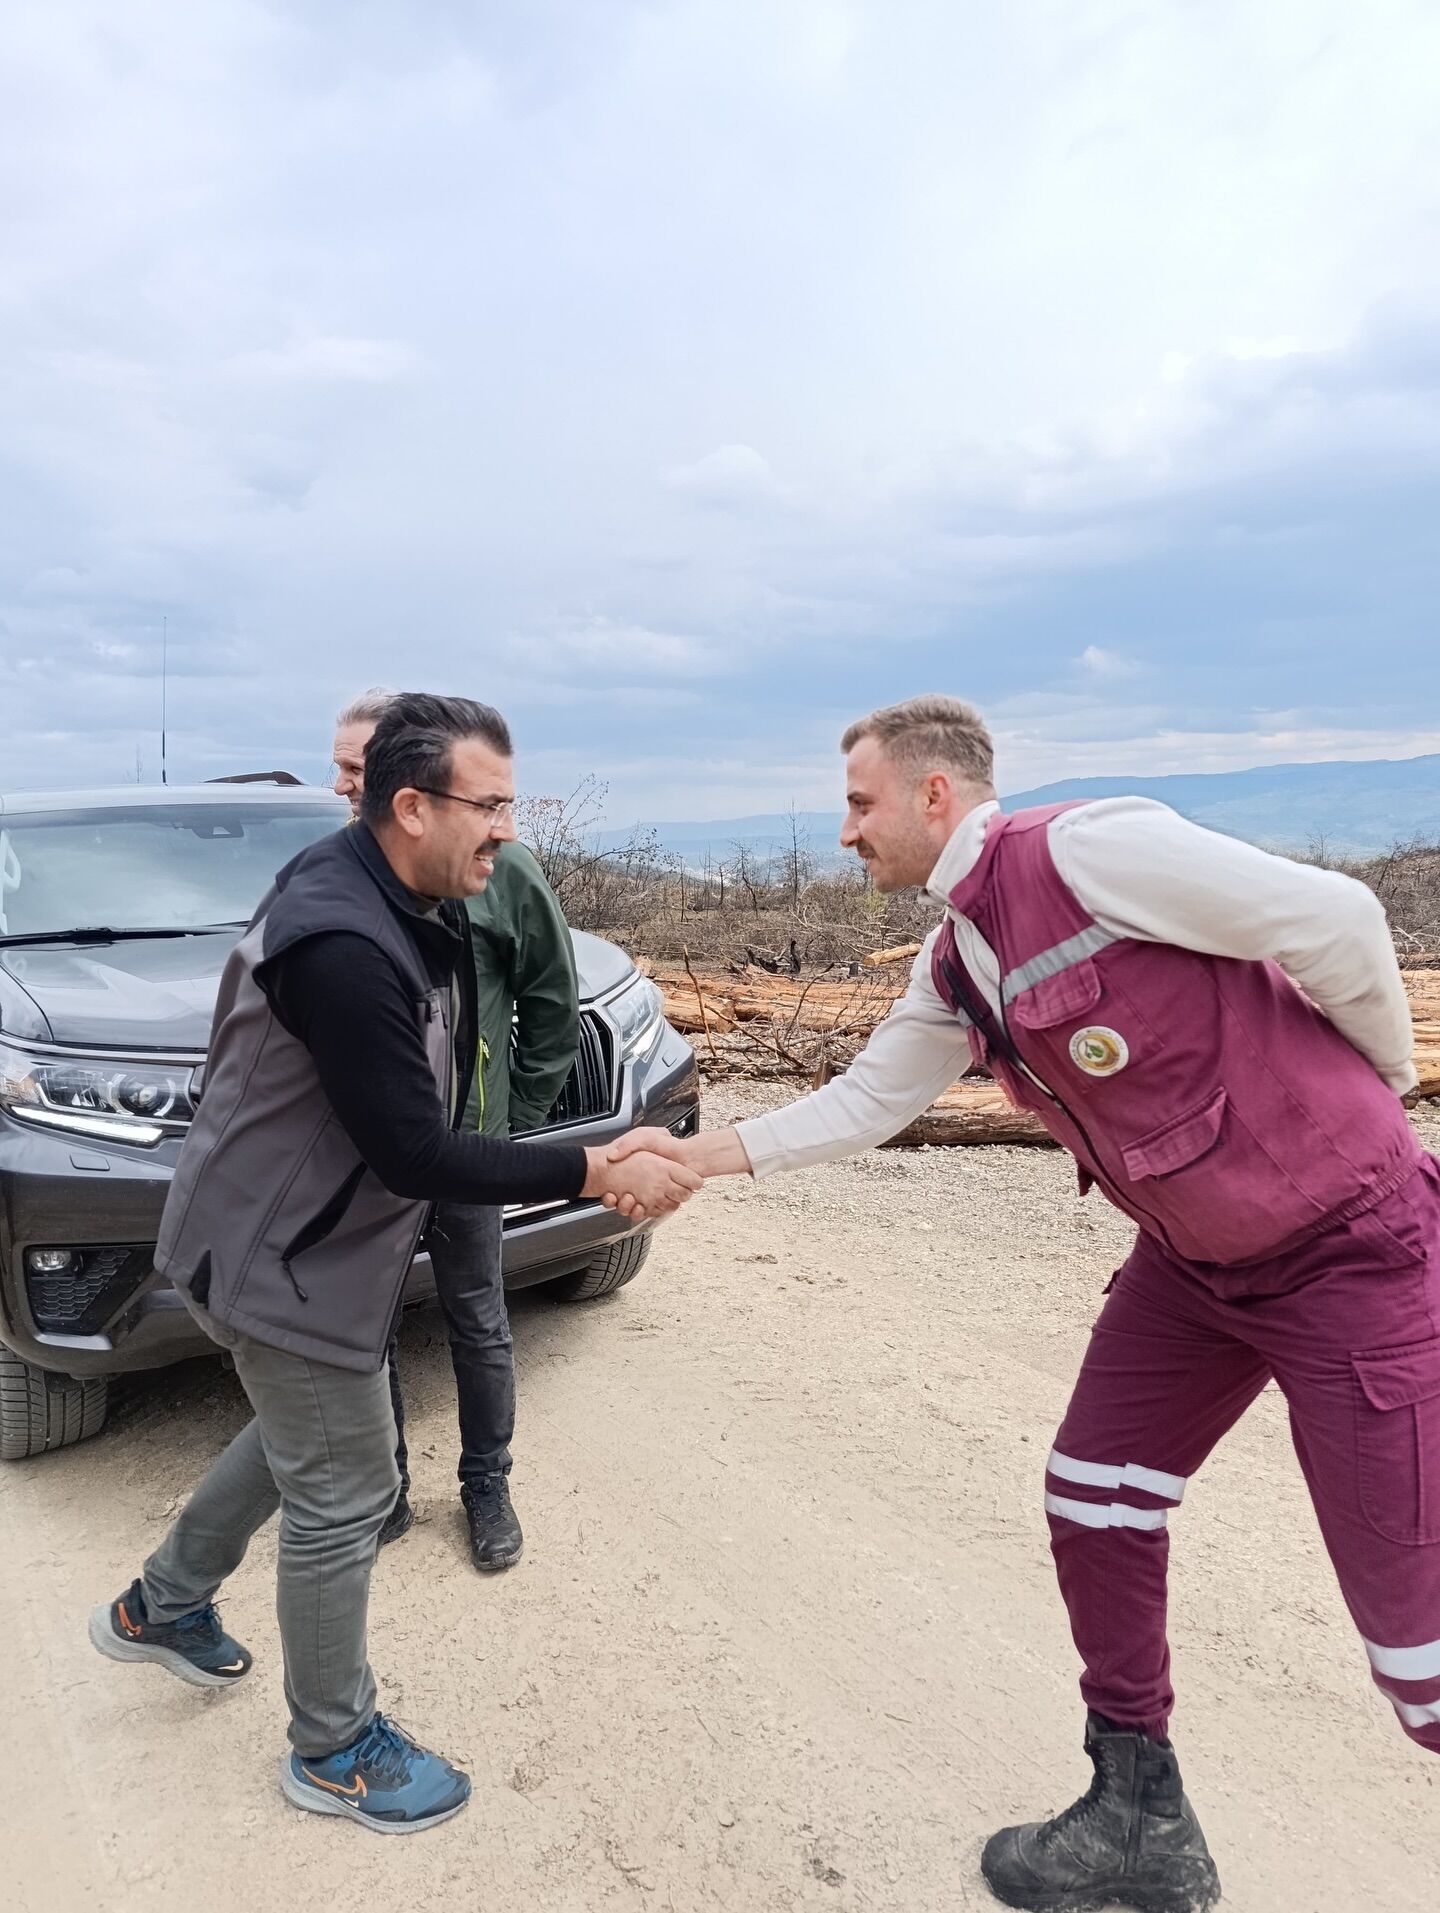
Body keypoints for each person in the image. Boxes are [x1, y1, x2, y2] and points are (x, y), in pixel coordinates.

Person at [611, 693, 1437, 1913]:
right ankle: (1138, 1817)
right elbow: (864, 1103)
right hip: (1197, 1270)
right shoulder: (959, 959)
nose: (847, 830)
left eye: (858, 802)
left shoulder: (1088, 850)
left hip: (1356, 1250)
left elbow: (1338, 915)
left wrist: (1383, 1079)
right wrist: (693, 1157)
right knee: (1094, 1496)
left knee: (1418, 1664)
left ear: (932, 795)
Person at [89, 693, 700, 1836]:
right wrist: (595, 1168)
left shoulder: (387, 889)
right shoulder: (348, 943)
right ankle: (331, 1745)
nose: (510, 827)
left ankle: (163, 1604)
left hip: (277, 1241)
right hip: (285, 1260)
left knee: (296, 1435)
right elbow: (413, 1146)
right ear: (411, 806)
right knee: (346, 1487)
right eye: (494, 803)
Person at [332, 687, 580, 1570]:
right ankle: (382, 1484)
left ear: (404, 785)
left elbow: (553, 997)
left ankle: (487, 1483)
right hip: (376, 1157)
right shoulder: (344, 883)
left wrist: (516, 1123)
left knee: (479, 1316)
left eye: (356, 770)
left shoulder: (500, 869)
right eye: (341, 773)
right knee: (369, 1321)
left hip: (471, 1145)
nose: (344, 789)